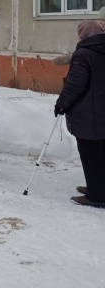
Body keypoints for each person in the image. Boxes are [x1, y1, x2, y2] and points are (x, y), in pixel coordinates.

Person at [55, 21, 105, 208]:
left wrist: (62, 104)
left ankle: (97, 195)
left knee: (91, 155)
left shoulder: (83, 54)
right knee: (101, 153)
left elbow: (75, 84)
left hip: (88, 114)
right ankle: (98, 187)